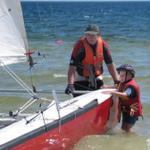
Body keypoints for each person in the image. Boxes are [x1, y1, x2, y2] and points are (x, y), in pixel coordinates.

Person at [65, 24, 119, 95]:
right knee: (80, 98)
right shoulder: (80, 46)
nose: (90, 37)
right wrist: (70, 84)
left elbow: (110, 65)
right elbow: (72, 67)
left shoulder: (103, 45)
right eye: (88, 34)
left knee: (102, 95)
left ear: (98, 35)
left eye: (93, 35)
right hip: (81, 77)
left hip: (96, 76)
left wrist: (116, 81)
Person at [104, 64, 143, 132]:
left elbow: (125, 95)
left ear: (130, 76)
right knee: (123, 127)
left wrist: (112, 93)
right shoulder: (122, 83)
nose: (120, 77)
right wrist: (106, 87)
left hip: (133, 109)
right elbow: (117, 87)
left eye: (123, 76)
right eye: (120, 75)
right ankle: (127, 138)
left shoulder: (131, 86)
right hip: (126, 109)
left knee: (127, 128)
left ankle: (131, 138)